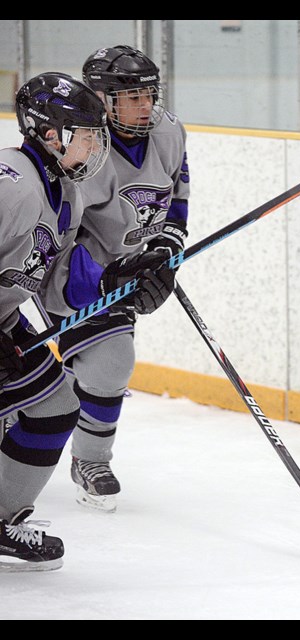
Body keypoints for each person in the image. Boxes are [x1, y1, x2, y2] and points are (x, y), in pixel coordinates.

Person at [0, 72, 166, 571]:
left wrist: (115, 279)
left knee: (54, 404)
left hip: (5, 320)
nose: (98, 145)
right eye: (89, 134)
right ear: (51, 135)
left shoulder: (65, 192)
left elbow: (49, 281)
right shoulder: (11, 184)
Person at [37, 45, 189, 513]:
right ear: (102, 99)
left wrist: (166, 249)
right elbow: (56, 235)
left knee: (106, 363)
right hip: (70, 270)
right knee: (109, 361)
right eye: (132, 97)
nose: (146, 106)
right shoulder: (81, 148)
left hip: (124, 263)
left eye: (149, 94)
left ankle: (75, 438)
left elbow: (178, 191)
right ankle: (77, 445)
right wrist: (104, 275)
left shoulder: (167, 131)